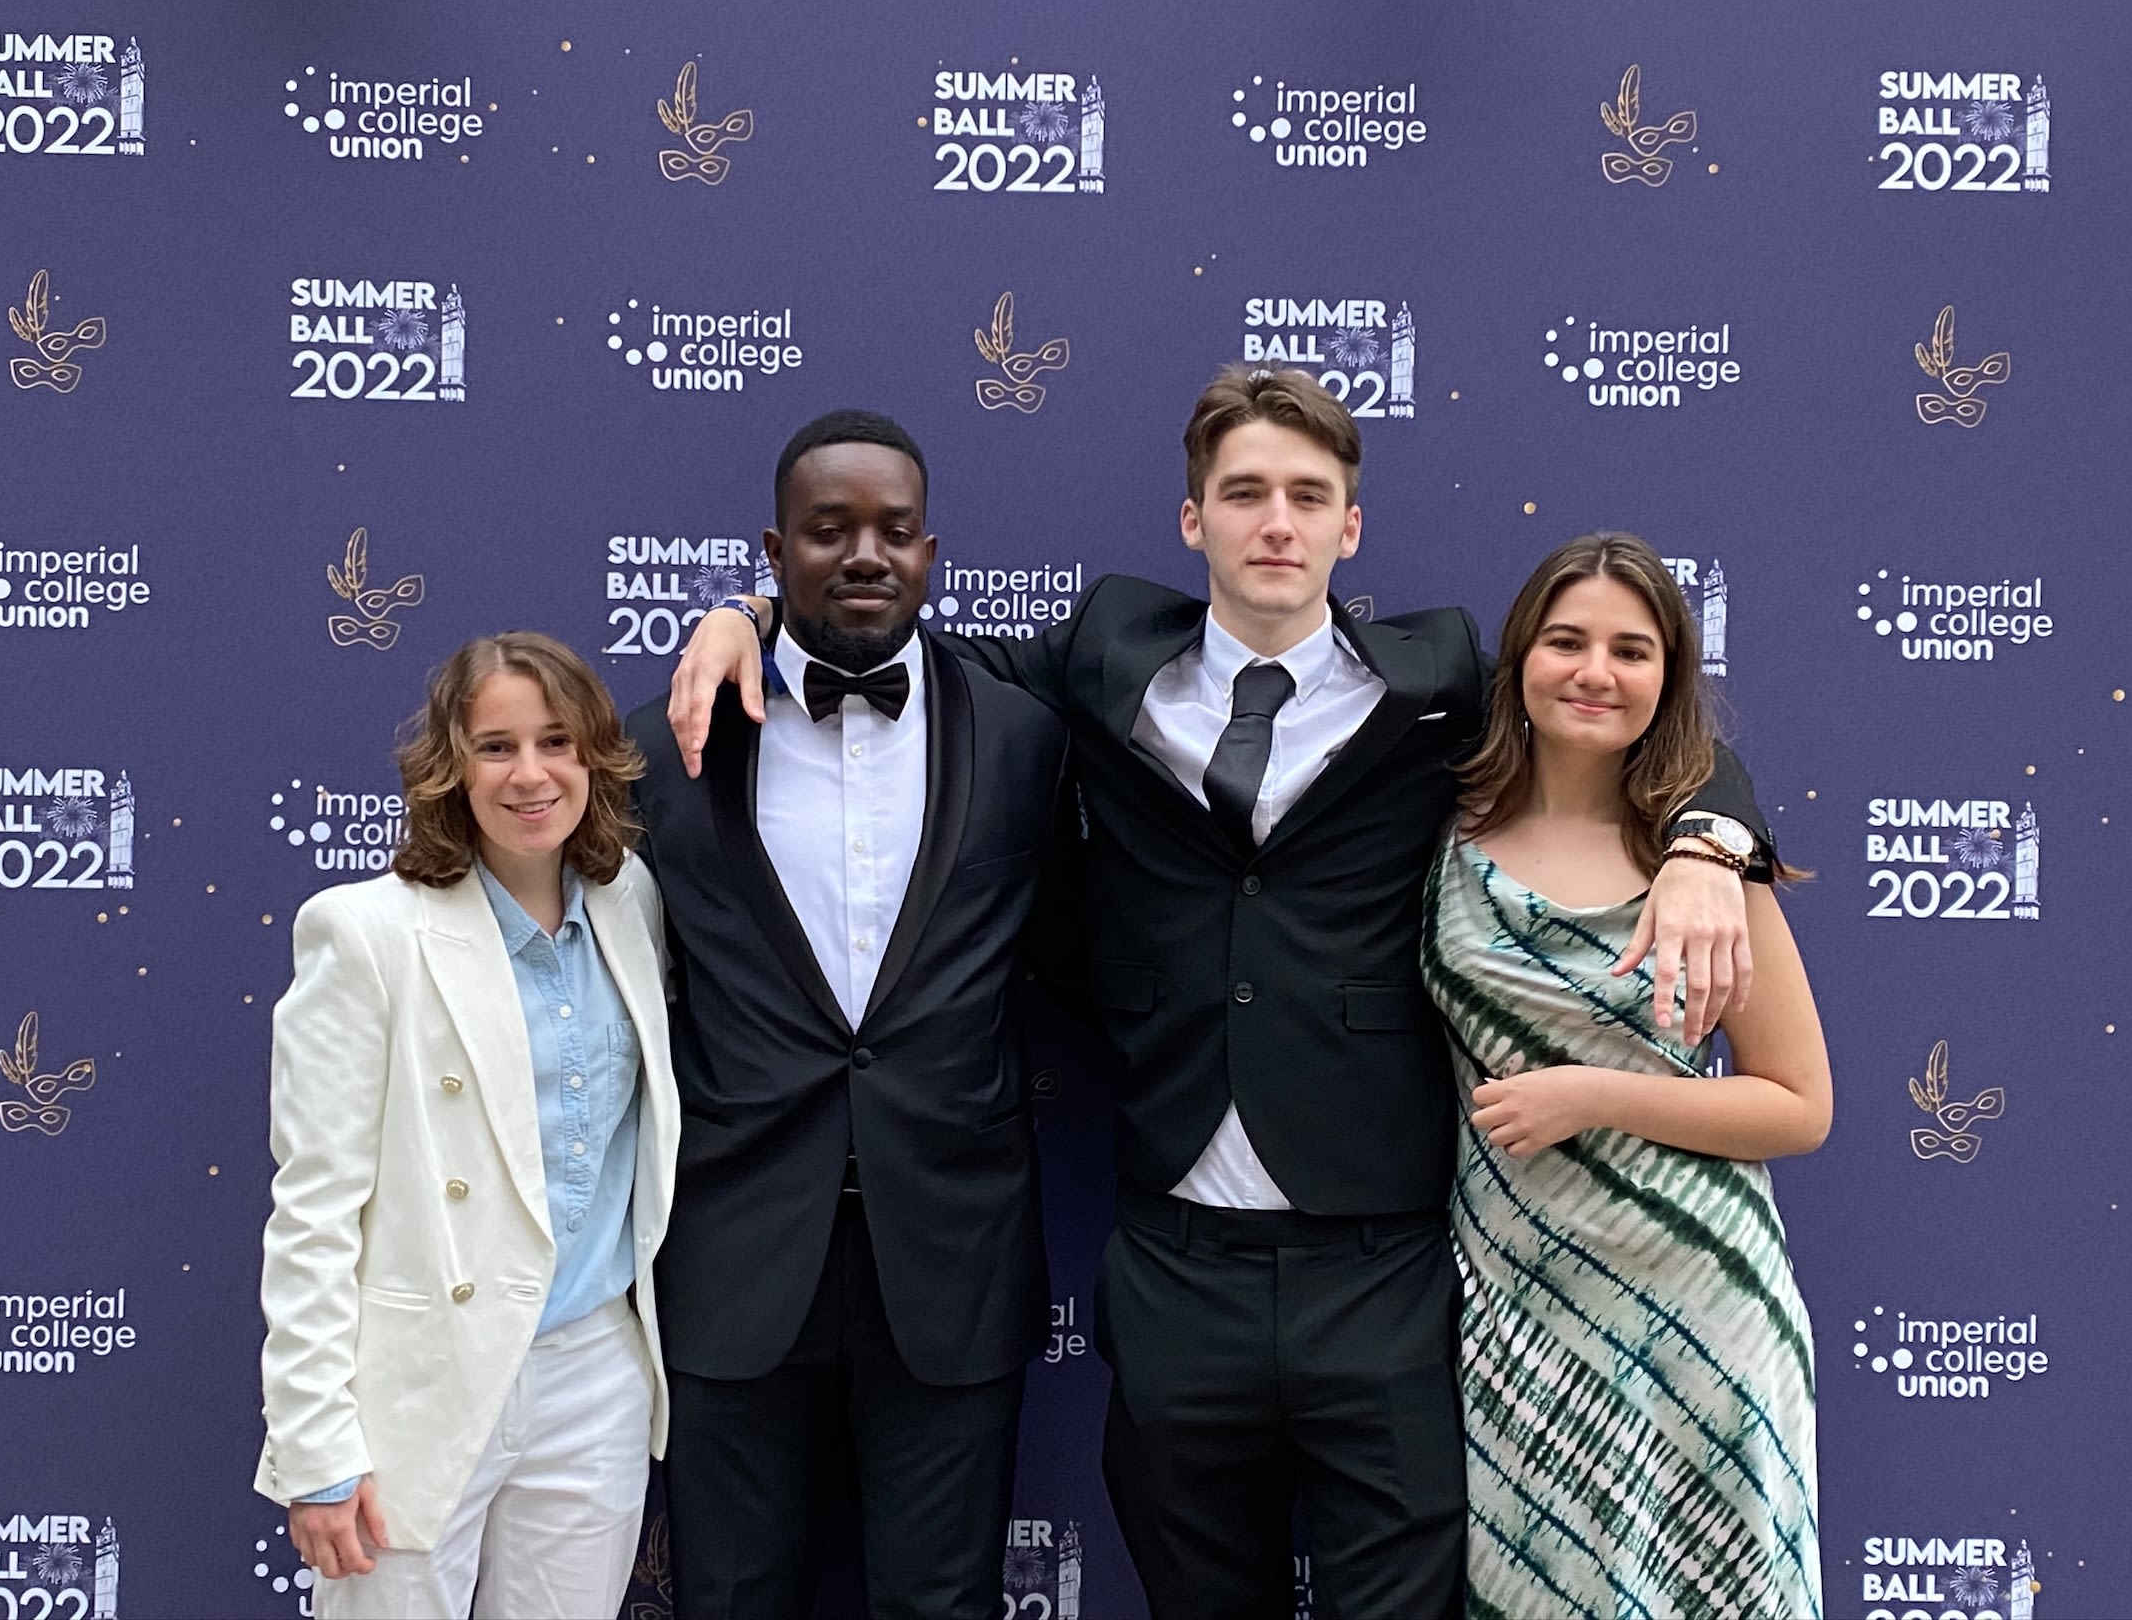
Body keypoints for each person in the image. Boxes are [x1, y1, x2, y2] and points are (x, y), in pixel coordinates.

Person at [666, 368, 1773, 1619]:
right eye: (1243, 493)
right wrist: (748, 613)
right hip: (1173, 1265)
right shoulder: (1102, 649)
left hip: (1381, 1265)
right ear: (1192, 519)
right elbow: (897, 651)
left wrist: (1709, 840)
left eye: (1307, 495)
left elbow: (1618, 711)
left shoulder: (1436, 677)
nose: (1275, 523)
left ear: (1350, 525)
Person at [625, 411, 1068, 1620]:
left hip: (952, 1259)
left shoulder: (1024, 734)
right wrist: (737, 620)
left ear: (929, 552)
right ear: (774, 553)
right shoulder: (664, 743)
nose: (864, 553)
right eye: (828, 530)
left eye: (893, 530)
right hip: (730, 1257)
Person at [1421, 532, 1828, 1620]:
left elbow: (1798, 1104)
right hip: (1519, 1301)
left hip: (1700, 1301)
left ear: (1669, 677)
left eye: (1631, 650)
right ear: (1517, 659)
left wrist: (1591, 1096)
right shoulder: (1443, 832)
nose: (1594, 672)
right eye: (1566, 641)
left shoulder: (1704, 866)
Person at [255, 632, 678, 1620]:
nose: (530, 774)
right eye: (496, 746)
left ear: (594, 756)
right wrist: (317, 1448)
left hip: (595, 1371)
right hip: (419, 1382)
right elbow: (314, 1210)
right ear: (451, 765)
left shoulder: (632, 902)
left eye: (556, 742)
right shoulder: (365, 931)